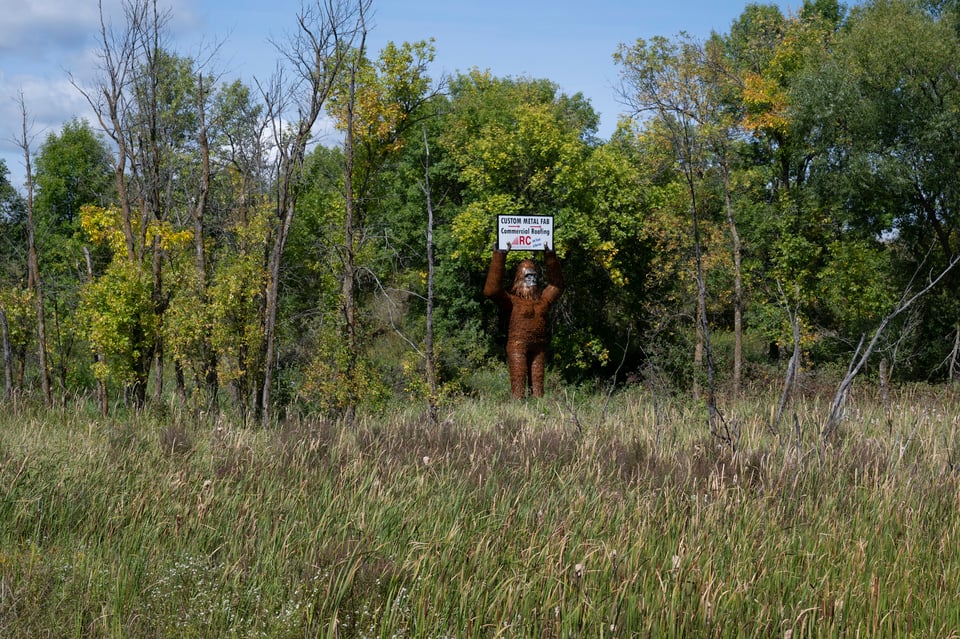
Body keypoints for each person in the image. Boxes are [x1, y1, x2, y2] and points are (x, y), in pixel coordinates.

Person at [483, 243, 564, 398]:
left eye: (534, 275)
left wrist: (550, 255)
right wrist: (499, 255)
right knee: (519, 382)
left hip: (538, 346)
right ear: (520, 278)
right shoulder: (513, 301)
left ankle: (537, 412)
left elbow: (557, 286)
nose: (532, 279)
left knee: (538, 387)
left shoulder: (542, 300)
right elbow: (491, 290)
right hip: (517, 346)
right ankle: (519, 411)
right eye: (528, 276)